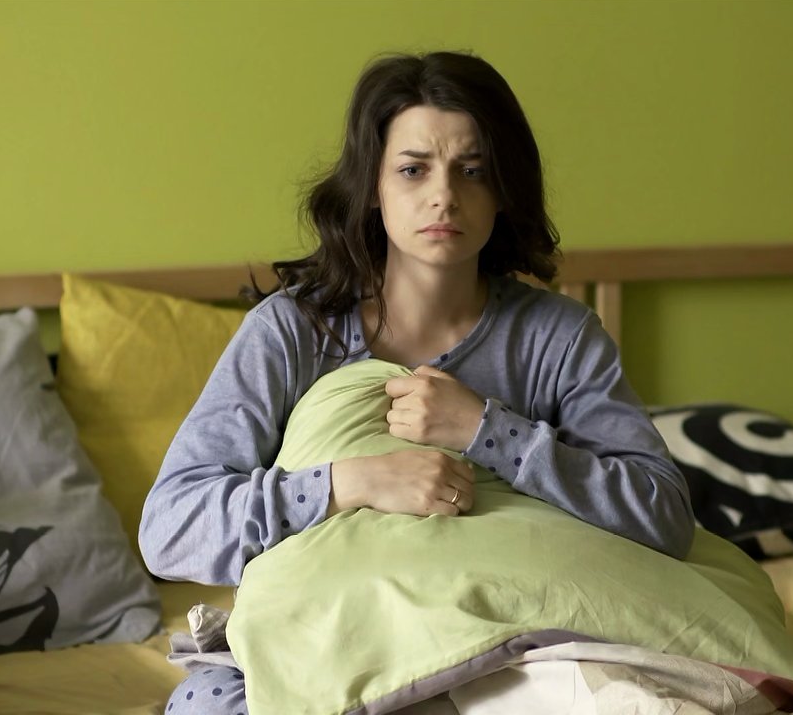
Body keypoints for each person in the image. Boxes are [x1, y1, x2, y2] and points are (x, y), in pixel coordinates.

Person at [140, 50, 694, 714]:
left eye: (473, 171)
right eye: (413, 169)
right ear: (373, 187)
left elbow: (664, 515)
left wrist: (488, 431)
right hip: (316, 643)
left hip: (509, 651)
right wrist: (352, 483)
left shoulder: (559, 337)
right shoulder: (290, 332)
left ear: (503, 190)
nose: (444, 196)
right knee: (205, 704)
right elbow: (170, 527)